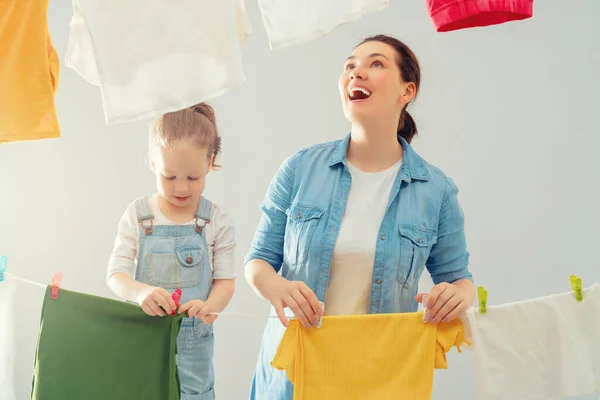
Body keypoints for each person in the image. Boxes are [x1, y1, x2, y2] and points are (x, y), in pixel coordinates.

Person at [244, 34, 475, 399]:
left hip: (381, 377)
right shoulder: (300, 169)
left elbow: (460, 281)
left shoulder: (437, 190)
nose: (357, 72)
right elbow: (257, 262)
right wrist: (278, 288)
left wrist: (456, 295)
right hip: (294, 375)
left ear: (407, 91)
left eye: (376, 63)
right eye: (350, 65)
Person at [106, 103, 236, 400]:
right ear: (152, 162)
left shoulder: (216, 220)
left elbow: (226, 282)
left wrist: (210, 306)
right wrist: (140, 293)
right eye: (169, 176)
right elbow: (116, 274)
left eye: (192, 178)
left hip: (195, 346)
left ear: (209, 162)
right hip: (144, 341)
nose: (180, 188)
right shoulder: (138, 215)